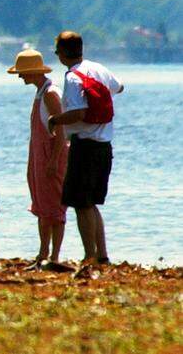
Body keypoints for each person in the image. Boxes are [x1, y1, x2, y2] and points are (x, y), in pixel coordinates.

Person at [47, 31, 124, 266]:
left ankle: (89, 256)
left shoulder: (73, 77)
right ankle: (101, 255)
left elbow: (78, 113)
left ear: (62, 53)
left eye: (57, 51)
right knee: (91, 203)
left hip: (84, 146)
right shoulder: (98, 68)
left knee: (81, 204)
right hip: (104, 145)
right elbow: (119, 87)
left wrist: (55, 120)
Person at [7, 49, 69, 267]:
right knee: (42, 207)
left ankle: (54, 256)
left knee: (55, 208)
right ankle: (43, 254)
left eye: (22, 72)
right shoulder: (40, 93)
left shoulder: (51, 94)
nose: (20, 76)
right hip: (39, 156)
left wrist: (53, 160)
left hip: (51, 156)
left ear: (33, 72)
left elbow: (61, 130)